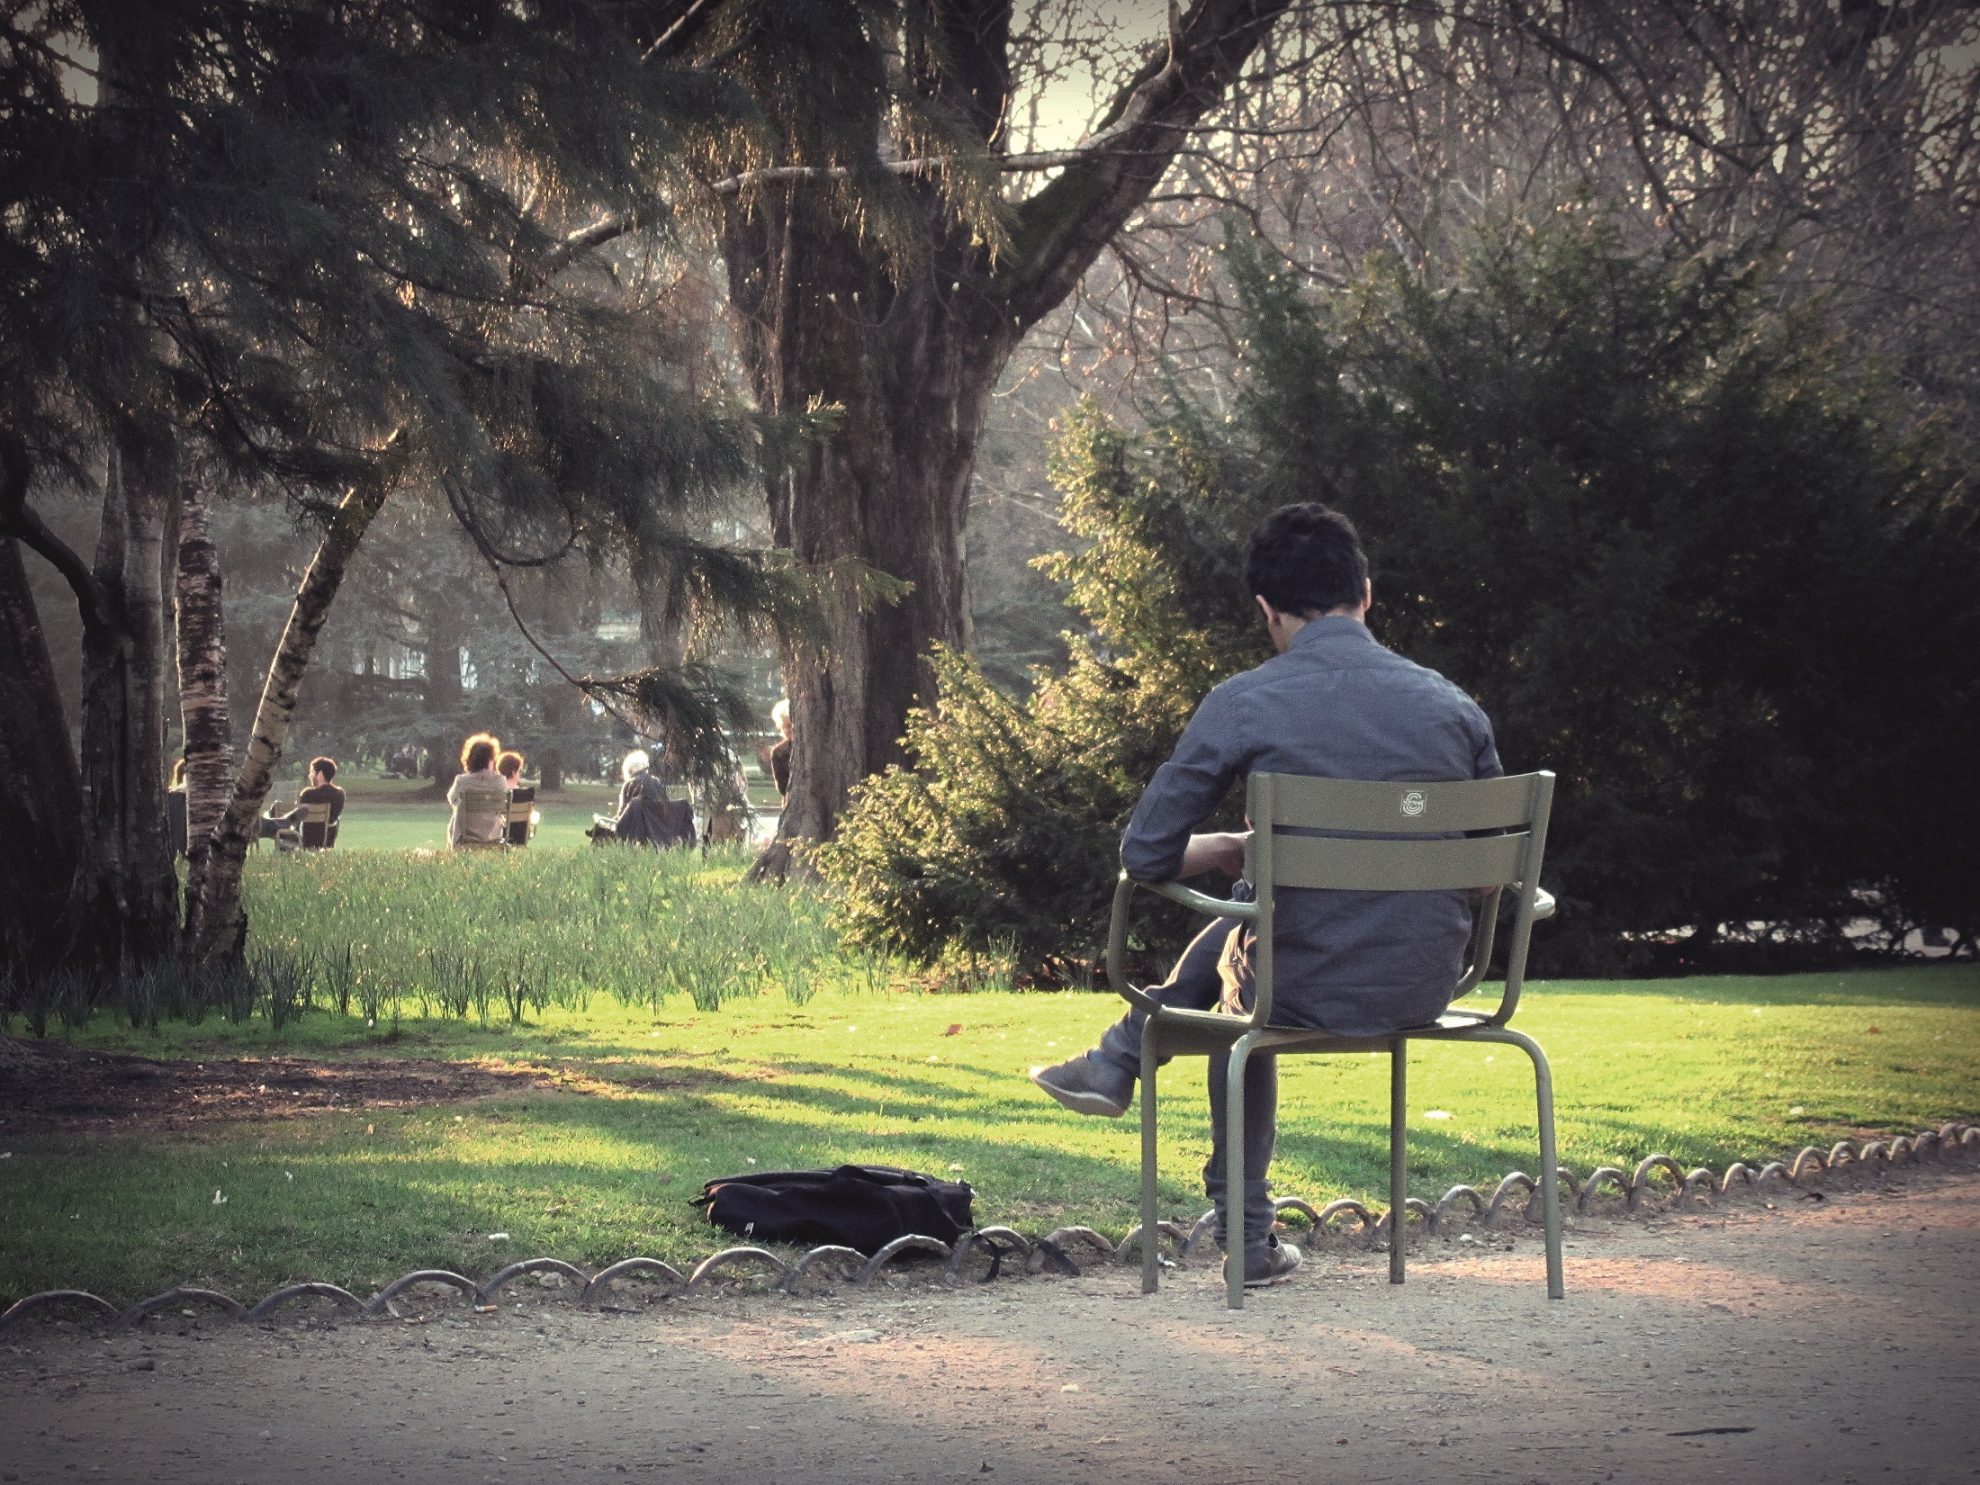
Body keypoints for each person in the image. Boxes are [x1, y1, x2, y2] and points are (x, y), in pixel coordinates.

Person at [1027, 503, 1502, 1289]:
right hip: (1428, 984)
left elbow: (1145, 853)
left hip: (1297, 985)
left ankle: (1229, 1211)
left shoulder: (1247, 700)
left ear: (1267, 610)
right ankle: (1119, 1062)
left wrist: (1222, 850)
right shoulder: (1452, 705)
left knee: (1243, 972)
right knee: (1257, 915)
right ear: (1368, 594)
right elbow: (1491, 873)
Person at [591, 748, 693, 847]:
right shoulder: (658, 783)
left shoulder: (630, 784)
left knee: (600, 828)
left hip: (636, 833)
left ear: (631, 769)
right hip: (659, 834)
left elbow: (622, 816)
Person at [446, 733, 509, 848]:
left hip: (467, 835)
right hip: (493, 836)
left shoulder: (462, 781)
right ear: (491, 759)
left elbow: (451, 799)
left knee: (457, 813)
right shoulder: (500, 781)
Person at [271, 756, 347, 849]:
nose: (310, 775)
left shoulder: (308, 794)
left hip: (303, 839)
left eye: (312, 772)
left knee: (279, 826)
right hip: (327, 840)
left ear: (320, 775)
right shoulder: (340, 794)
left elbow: (297, 813)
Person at [767, 698, 793, 799]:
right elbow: (782, 787)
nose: (789, 730)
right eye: (785, 726)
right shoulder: (778, 752)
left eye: (791, 725)